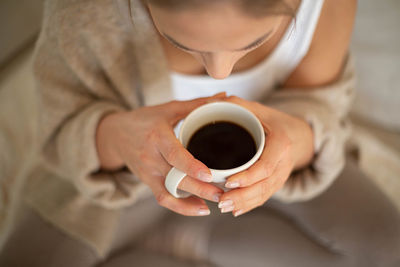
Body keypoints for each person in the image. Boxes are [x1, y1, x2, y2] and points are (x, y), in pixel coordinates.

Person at [1, 0, 399, 266]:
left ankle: (193, 235)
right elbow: (61, 127)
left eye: (255, 42)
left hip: (279, 182)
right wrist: (118, 136)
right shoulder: (85, 11)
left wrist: (292, 144)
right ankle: (197, 235)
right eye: (180, 42)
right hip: (117, 191)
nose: (218, 75)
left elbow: (321, 106)